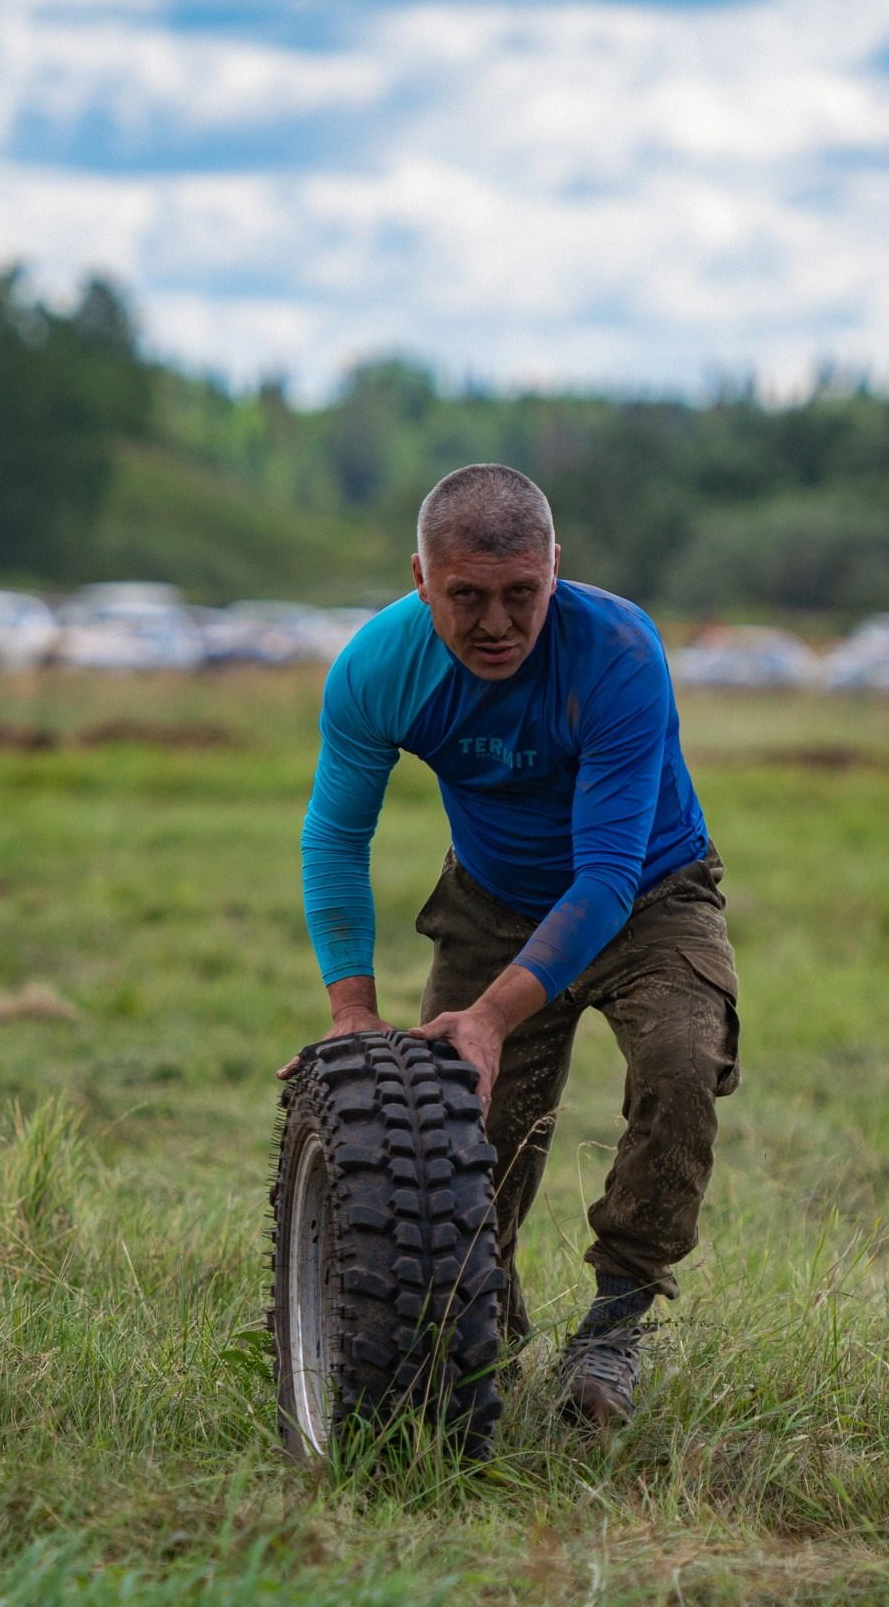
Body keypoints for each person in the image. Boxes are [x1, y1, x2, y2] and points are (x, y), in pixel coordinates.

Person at [292, 463, 740, 1427]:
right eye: (465, 598)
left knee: (680, 1061)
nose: (496, 624)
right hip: (491, 901)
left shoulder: (617, 650)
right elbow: (335, 835)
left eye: (520, 594)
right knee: (450, 1146)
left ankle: (615, 1328)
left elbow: (610, 873)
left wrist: (494, 1014)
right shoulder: (378, 669)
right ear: (420, 578)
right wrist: (352, 1013)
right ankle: (484, 1326)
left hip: (649, 893)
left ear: (554, 568)